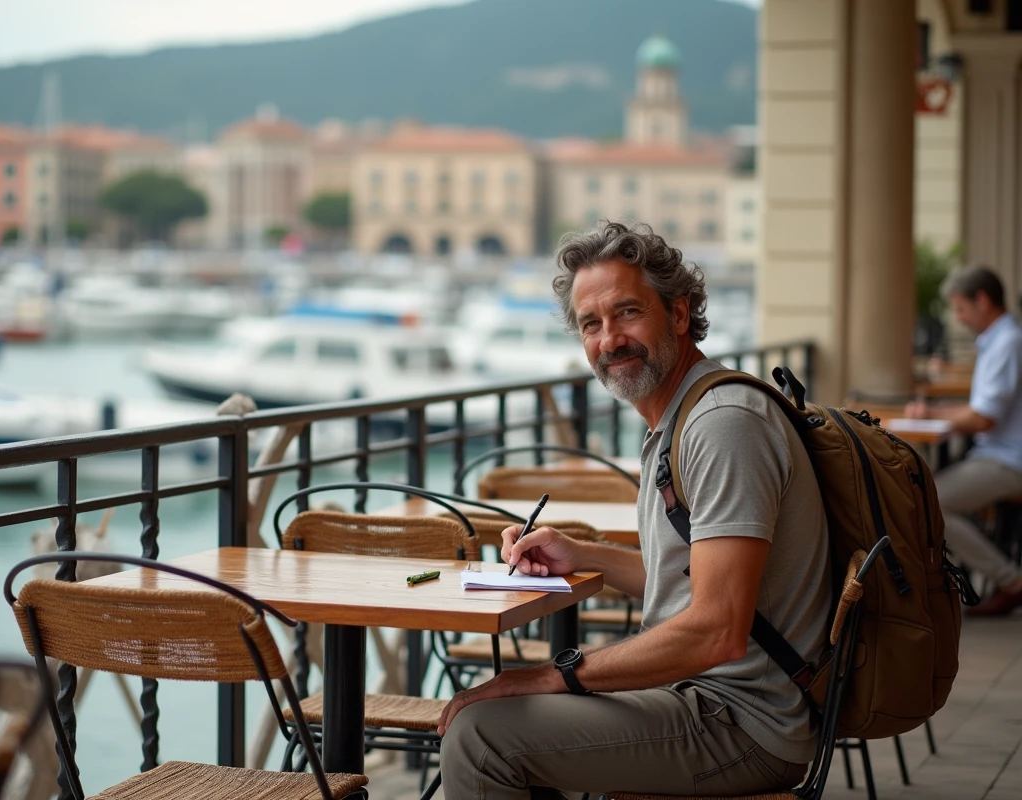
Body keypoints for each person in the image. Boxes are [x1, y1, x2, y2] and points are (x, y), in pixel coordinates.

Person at [436, 221, 832, 799]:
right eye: (591, 324)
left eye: (627, 313)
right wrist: (582, 554)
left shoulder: (722, 424)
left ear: (679, 313)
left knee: (480, 737)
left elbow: (718, 630)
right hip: (701, 697)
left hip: (742, 722)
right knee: (499, 720)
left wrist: (553, 675)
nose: (610, 340)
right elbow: (693, 582)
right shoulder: (680, 416)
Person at [905, 265, 1022, 615]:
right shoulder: (999, 341)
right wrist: (936, 413)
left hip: (1009, 460)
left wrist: (934, 416)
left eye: (961, 308)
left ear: (982, 300)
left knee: (932, 502)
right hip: (998, 454)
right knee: (927, 492)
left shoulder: (1007, 342)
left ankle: (1011, 581)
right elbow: (979, 409)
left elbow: (983, 417)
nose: (959, 318)